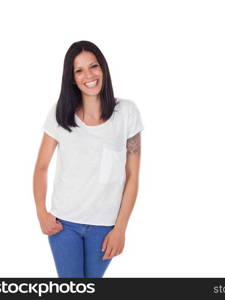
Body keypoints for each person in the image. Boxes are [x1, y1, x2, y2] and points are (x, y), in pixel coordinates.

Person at [32, 40, 144, 278]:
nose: (88, 75)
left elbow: (133, 176)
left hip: (105, 227)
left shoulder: (127, 113)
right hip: (64, 224)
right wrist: (42, 213)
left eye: (93, 66)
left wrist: (121, 228)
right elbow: (41, 168)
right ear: (72, 78)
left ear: (103, 68)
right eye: (79, 70)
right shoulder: (59, 113)